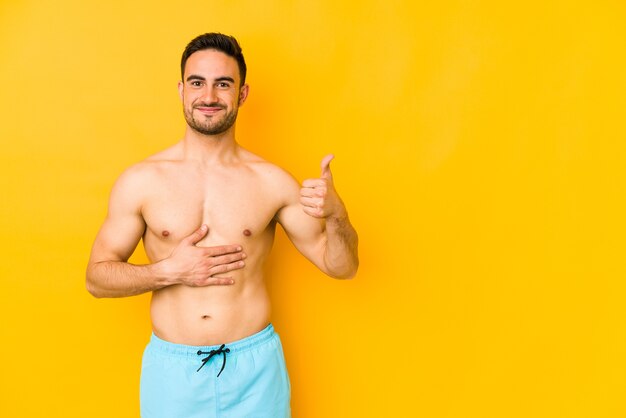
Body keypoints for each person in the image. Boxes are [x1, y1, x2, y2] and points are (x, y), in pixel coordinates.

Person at [86, 32, 358, 418]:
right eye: (198, 82)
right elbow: (96, 279)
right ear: (181, 89)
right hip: (174, 372)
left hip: (255, 371)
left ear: (242, 94)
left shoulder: (272, 181)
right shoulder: (141, 181)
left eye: (223, 83)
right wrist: (168, 271)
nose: (209, 96)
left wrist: (336, 215)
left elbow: (342, 267)